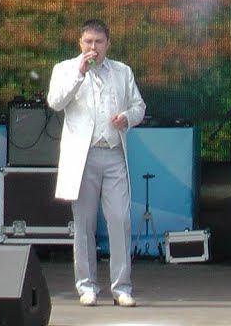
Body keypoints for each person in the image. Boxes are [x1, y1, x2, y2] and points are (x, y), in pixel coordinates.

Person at [48, 19, 146, 307]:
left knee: (120, 219)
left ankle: (121, 287)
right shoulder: (65, 69)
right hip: (84, 155)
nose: (93, 47)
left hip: (113, 153)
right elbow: (55, 102)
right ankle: (87, 286)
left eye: (99, 42)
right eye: (88, 41)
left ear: (108, 44)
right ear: (80, 43)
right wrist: (79, 73)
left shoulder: (122, 71)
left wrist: (127, 118)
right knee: (84, 223)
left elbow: (139, 106)